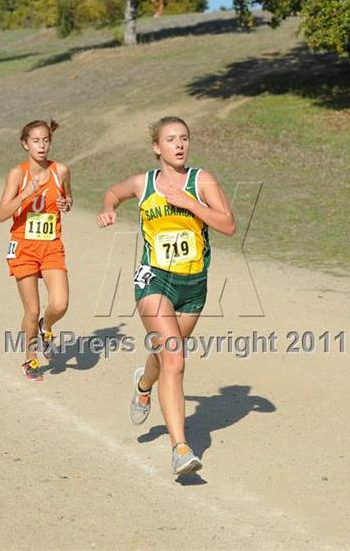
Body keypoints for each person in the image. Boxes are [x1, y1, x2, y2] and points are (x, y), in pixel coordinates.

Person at [97, 116, 235, 475]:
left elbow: (229, 225)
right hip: (154, 282)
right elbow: (114, 191)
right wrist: (109, 208)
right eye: (171, 139)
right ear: (157, 147)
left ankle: (143, 382)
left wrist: (191, 204)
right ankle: (180, 447)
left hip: (194, 286)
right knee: (174, 359)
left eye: (184, 138)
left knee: (163, 356)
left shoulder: (201, 181)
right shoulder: (144, 183)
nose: (179, 144)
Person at [0, 120, 73, 381]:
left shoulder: (60, 170)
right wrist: (25, 194)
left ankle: (47, 327)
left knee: (60, 304)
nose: (42, 146)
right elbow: (1, 214)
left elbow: (68, 199)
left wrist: (66, 203)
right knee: (32, 309)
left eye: (46, 140)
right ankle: (30, 360)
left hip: (51, 244)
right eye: (36, 141)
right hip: (24, 247)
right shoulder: (18, 174)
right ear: (25, 144)